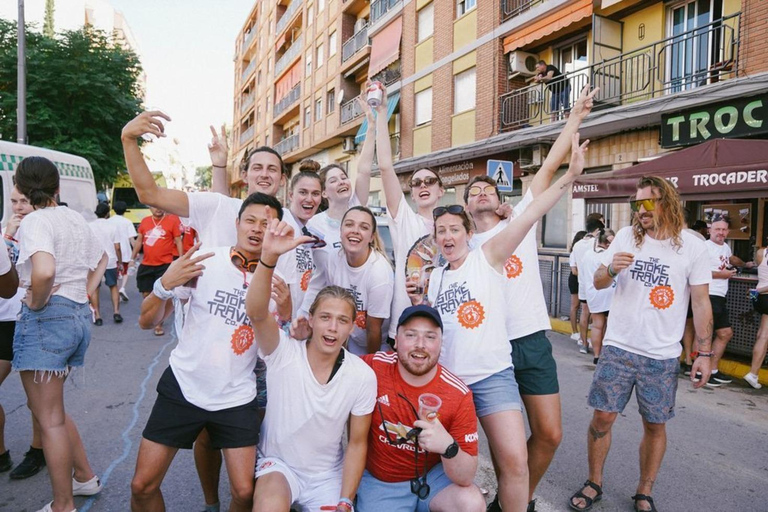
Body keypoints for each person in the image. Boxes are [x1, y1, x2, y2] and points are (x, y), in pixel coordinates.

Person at [122, 113, 295, 511]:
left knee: (245, 490)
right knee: (144, 484)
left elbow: (289, 326)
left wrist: (287, 308)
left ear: (281, 179)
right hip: (190, 369)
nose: (265, 174)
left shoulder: (281, 256)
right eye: (257, 167)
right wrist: (129, 139)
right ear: (245, 172)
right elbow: (150, 193)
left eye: (273, 169)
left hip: (241, 379)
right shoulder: (212, 233)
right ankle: (208, 502)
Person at [410, 134, 589, 512]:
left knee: (514, 463)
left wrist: (570, 174)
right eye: (441, 231)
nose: (447, 236)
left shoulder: (488, 255)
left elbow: (533, 210)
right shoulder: (437, 276)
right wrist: (418, 302)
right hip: (452, 381)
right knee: (450, 467)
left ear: (468, 235)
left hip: (494, 374)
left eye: (454, 230)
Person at [465, 83, 598, 512]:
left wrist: (574, 117)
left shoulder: (521, 217)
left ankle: (509, 501)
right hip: (489, 349)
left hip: (532, 341)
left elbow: (552, 165)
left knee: (550, 434)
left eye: (488, 189)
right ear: (466, 208)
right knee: (499, 445)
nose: (482, 194)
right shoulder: (460, 246)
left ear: (503, 199)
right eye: (473, 192)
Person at [568, 176, 713, 512]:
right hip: (618, 347)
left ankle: (644, 490)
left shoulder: (692, 246)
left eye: (648, 202)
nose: (641, 210)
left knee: (654, 424)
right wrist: (612, 270)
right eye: (636, 204)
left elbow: (701, 302)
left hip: (661, 355)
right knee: (602, 417)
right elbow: (597, 280)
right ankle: (594, 482)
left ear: (669, 203)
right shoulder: (625, 237)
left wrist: (703, 354)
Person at [246, 217, 376, 512]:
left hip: (326, 477)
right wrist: (268, 258)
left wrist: (345, 499)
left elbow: (357, 443)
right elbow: (256, 312)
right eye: (326, 318)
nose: (332, 328)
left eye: (342, 320)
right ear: (312, 318)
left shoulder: (361, 375)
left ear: (352, 327)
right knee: (268, 506)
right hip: (278, 466)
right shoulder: (284, 350)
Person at [12, 156, 107, 512]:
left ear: (21, 188)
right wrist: (84, 291)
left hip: (47, 320)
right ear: (57, 187)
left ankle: (62, 505)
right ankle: (83, 477)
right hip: (77, 315)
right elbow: (101, 260)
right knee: (52, 412)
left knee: (48, 418)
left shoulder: (35, 221)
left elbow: (44, 270)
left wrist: (36, 302)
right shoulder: (72, 217)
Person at [356, 304, 485, 512]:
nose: (420, 345)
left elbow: (466, 475)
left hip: (433, 478)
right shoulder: (373, 367)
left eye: (430, 337)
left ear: (441, 344)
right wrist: (305, 336)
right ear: (396, 341)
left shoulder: (458, 394)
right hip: (383, 482)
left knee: (471, 503)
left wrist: (448, 446)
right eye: (411, 335)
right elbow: (330, 364)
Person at [371, 84, 445, 348]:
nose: (423, 186)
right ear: (412, 194)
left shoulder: (455, 228)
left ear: (441, 190)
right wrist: (382, 113)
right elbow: (385, 167)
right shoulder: (405, 220)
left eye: (429, 181)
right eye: (416, 183)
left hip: (447, 327)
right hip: (405, 326)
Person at [299, 206, 394, 355]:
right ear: (340, 231)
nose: (355, 230)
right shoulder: (333, 259)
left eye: (364, 227)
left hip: (376, 344)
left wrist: (369, 364)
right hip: (350, 337)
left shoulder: (379, 273)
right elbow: (336, 308)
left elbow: (373, 330)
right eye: (349, 224)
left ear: (371, 237)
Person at [1, 187, 47, 480]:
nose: (18, 207)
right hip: (3, 319)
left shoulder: (43, 230)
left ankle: (38, 450)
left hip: (30, 317)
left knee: (38, 397)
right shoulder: (5, 231)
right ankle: (1, 453)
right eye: (13, 201)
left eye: (24, 202)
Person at [702, 215, 754, 387]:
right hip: (709, 295)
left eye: (724, 230)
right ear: (710, 230)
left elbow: (731, 259)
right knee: (720, 334)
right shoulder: (704, 247)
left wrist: (746, 264)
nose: (721, 233)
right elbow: (697, 272)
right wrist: (722, 275)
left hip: (719, 296)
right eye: (717, 229)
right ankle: (706, 371)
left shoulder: (725, 247)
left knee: (717, 334)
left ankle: (712, 370)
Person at [306, 160, 371, 273]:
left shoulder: (357, 209)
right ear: (324, 193)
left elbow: (364, 171)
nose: (341, 182)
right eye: (333, 181)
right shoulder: (312, 225)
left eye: (344, 178)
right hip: (324, 290)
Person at [130, 206, 182, 336]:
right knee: (146, 293)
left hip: (164, 265)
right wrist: (132, 257)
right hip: (147, 264)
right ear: (149, 207)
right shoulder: (145, 221)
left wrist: (181, 259)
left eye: (160, 207)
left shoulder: (172, 221)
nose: (158, 209)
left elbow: (178, 241)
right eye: (154, 207)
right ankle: (152, 315)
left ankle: (158, 324)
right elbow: (139, 241)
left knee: (163, 294)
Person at [281, 167, 322, 318]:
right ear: (291, 195)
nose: (309, 199)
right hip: (276, 318)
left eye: (315, 194)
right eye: (303, 192)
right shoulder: (281, 224)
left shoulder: (309, 229)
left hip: (294, 318)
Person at [570, 213, 605, 353]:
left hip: (582, 283)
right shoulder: (596, 244)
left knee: (584, 312)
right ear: (598, 228)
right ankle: (598, 346)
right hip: (596, 284)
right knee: (598, 317)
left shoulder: (577, 245)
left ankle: (583, 343)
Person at [581, 229, 616, 365]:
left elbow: (583, 275)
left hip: (593, 293)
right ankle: (606, 355)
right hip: (609, 292)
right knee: (608, 325)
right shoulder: (610, 255)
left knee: (597, 326)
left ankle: (597, 355)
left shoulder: (588, 255)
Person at [89, 203, 123, 325]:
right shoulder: (113, 226)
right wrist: (120, 261)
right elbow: (117, 247)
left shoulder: (90, 226)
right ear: (108, 213)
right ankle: (116, 312)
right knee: (113, 286)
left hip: (95, 261)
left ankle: (97, 316)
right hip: (110, 260)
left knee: (95, 288)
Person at [745, 245, 768, 389]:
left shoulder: (761, 252)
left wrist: (757, 291)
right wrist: (759, 290)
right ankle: (753, 374)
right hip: (764, 293)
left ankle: (754, 374)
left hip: (759, 298)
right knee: (764, 336)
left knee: (762, 333)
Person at [108, 200, 138, 301]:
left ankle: (116, 291)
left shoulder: (109, 221)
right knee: (125, 271)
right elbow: (132, 239)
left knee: (115, 272)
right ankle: (123, 288)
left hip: (111, 250)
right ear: (125, 210)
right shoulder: (128, 222)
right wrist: (136, 252)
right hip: (125, 251)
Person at [568, 231, 587, 341]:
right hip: (575, 280)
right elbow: (574, 271)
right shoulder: (574, 253)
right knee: (575, 306)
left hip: (582, 280)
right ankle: (574, 331)